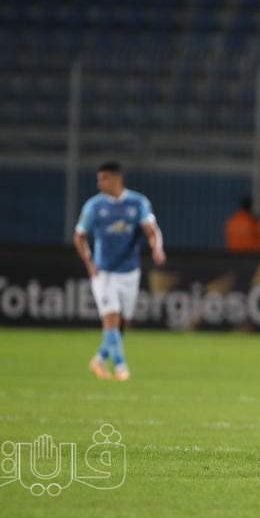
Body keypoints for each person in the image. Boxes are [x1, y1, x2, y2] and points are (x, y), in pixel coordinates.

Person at [74, 161, 166, 381]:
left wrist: (156, 248)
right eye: (99, 179)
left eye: (104, 178)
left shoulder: (138, 202)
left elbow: (151, 230)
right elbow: (79, 236)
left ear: (117, 179)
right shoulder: (94, 206)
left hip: (130, 272)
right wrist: (89, 262)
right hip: (104, 272)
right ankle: (121, 368)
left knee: (123, 323)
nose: (99, 183)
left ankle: (98, 359)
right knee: (111, 318)